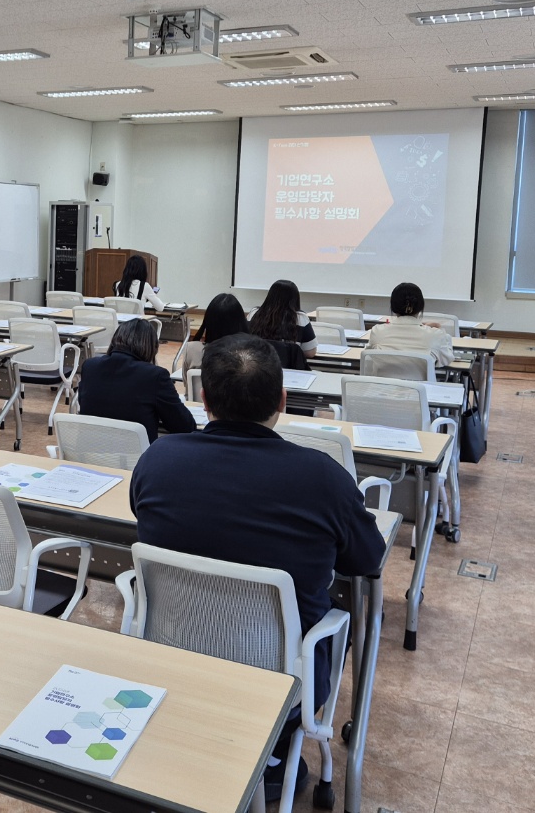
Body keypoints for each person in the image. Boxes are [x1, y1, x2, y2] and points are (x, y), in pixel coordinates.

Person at [130, 334, 386, 801]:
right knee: (337, 614)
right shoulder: (323, 477)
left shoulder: (158, 460)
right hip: (280, 681)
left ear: (203, 399)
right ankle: (273, 754)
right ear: (282, 401)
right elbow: (367, 561)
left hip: (175, 657)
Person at [76, 318, 195, 442]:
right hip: (137, 458)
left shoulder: (90, 366)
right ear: (151, 347)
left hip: (89, 453)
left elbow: (84, 402)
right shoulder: (155, 376)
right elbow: (184, 426)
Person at [366, 282, 455, 367]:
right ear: (421, 307)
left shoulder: (378, 332)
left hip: (385, 383)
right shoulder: (435, 335)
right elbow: (447, 359)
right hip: (421, 383)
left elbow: (368, 356)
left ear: (393, 307)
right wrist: (440, 331)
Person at [172, 292, 249, 377]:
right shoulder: (251, 354)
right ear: (241, 321)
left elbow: (188, 385)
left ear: (208, 321)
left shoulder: (192, 349)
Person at [249, 279, 317, 361]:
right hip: (288, 370)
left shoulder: (254, 313)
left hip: (257, 367)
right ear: (295, 298)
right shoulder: (301, 318)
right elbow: (310, 353)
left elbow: (243, 342)